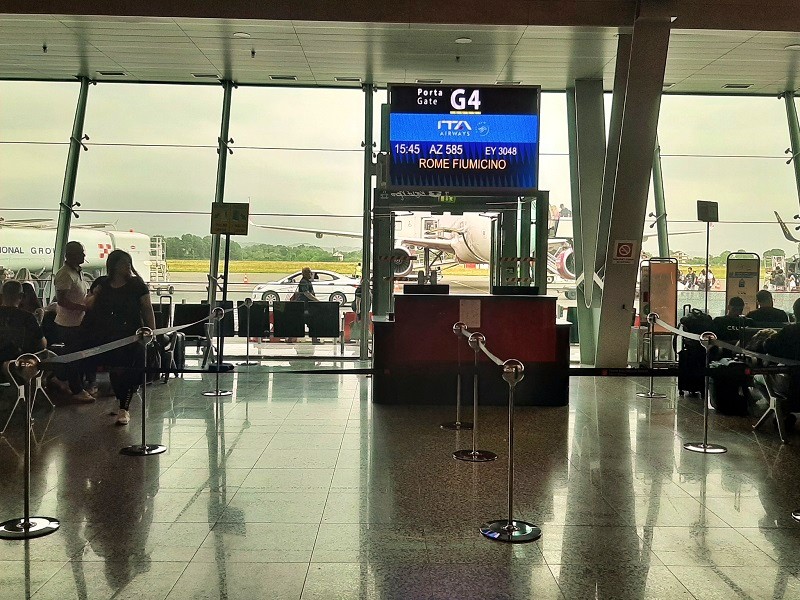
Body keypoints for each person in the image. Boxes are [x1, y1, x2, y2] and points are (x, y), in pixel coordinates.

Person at [86, 250, 156, 425]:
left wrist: (151, 331)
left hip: (131, 335)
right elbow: (88, 305)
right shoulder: (102, 283)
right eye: (123, 263)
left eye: (128, 263)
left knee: (128, 370)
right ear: (113, 265)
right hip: (108, 335)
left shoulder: (137, 285)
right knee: (115, 371)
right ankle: (121, 400)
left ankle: (124, 407)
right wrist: (95, 294)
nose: (127, 267)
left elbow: (147, 308)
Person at [53, 241, 93, 402]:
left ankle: (61, 379)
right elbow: (61, 300)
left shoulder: (77, 272)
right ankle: (77, 390)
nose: (84, 255)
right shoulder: (64, 274)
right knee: (74, 357)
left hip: (77, 322)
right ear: (70, 255)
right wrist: (83, 308)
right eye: (80, 253)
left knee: (78, 355)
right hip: (67, 324)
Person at [0, 280, 46, 363]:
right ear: (21, 296)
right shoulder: (28, 317)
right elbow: (42, 344)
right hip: (18, 365)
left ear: (1, 296)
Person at [297, 267, 321, 343]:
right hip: (305, 306)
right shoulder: (304, 282)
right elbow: (307, 293)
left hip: (306, 306)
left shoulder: (307, 281)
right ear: (306, 273)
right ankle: (314, 338)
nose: (311, 274)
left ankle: (314, 338)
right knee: (311, 321)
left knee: (302, 322)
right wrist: (317, 300)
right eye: (310, 272)